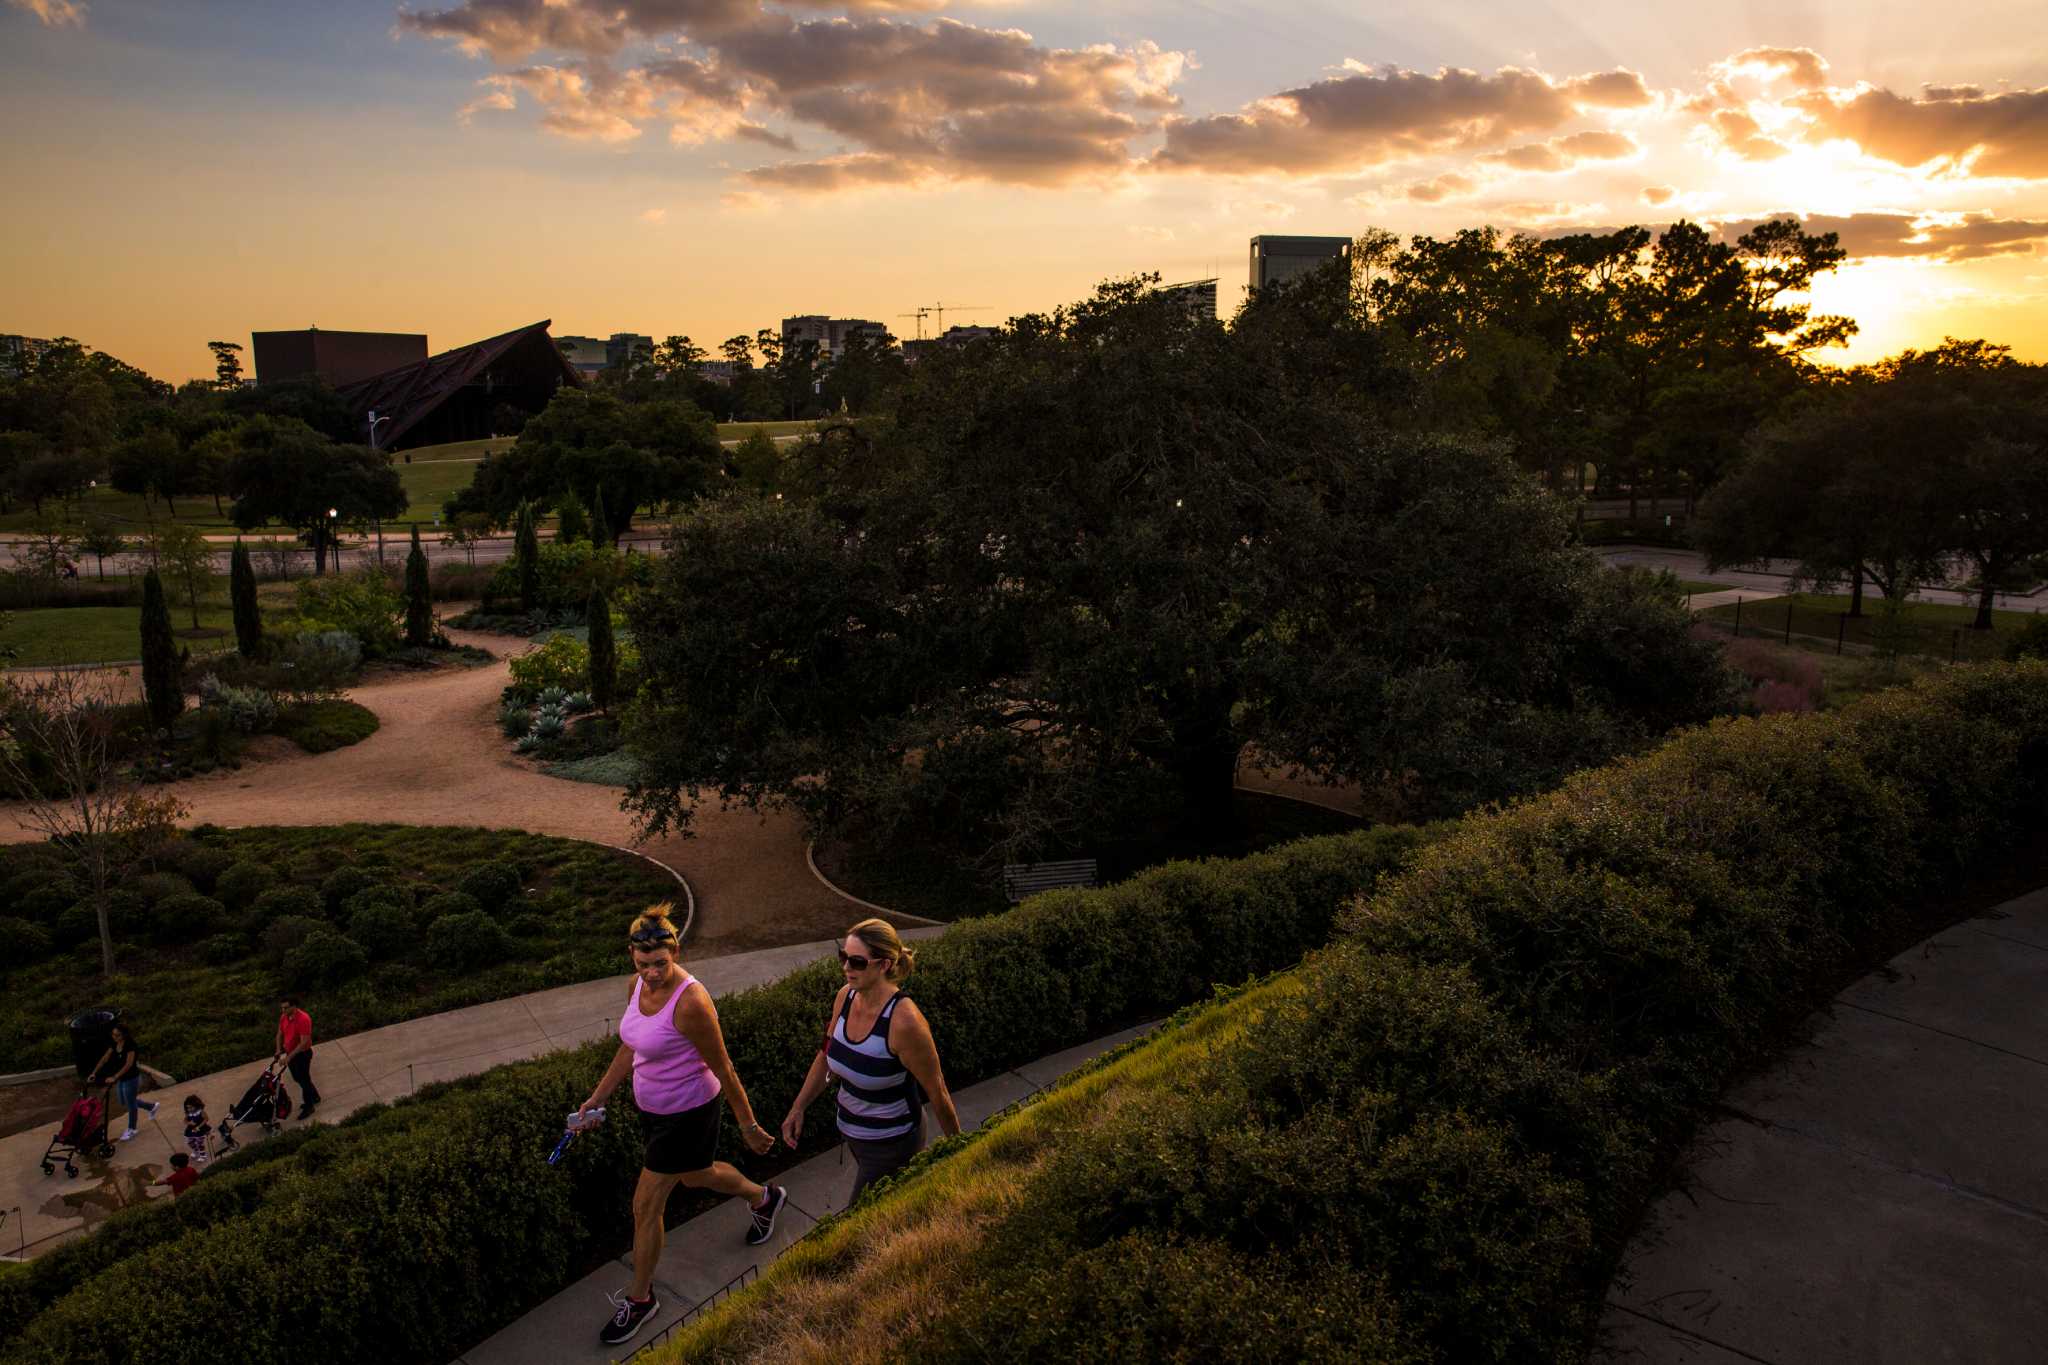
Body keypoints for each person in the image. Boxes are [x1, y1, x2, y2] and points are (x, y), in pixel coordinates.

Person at [577, 902, 785, 1348]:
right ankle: (764, 1198)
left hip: (689, 1113)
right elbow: (631, 1048)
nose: (652, 973)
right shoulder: (635, 986)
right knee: (696, 1176)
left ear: (677, 952)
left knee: (644, 1205)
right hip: (651, 1110)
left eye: (660, 963)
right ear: (632, 958)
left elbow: (725, 1067)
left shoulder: (691, 1002)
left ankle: (640, 1299)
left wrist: (748, 1125)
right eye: (643, 964)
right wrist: (597, 1098)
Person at [780, 918, 961, 1205]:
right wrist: (798, 1107)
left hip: (893, 1142)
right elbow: (826, 1058)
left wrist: (961, 1151)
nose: (846, 968)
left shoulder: (905, 1023)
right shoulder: (845, 997)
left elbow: (937, 1092)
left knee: (859, 1218)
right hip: (854, 1135)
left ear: (885, 964)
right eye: (843, 957)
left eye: (857, 962)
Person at [89, 1022, 159, 1140]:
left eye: (118, 1035)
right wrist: (94, 1072)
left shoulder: (130, 1045)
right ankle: (151, 1106)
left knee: (131, 1104)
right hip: (122, 1078)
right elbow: (105, 1058)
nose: (114, 1037)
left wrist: (114, 1077)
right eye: (113, 1034)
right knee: (124, 1101)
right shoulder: (114, 1043)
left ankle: (132, 1129)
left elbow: (128, 1064)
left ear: (124, 1035)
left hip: (131, 1078)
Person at [275, 995, 319, 1120]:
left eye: (286, 1008)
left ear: (294, 1006)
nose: (283, 1011)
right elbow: (279, 1034)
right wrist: (278, 1049)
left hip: (302, 1055)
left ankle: (309, 1106)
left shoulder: (303, 1019)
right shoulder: (284, 1017)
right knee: (298, 1078)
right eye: (282, 1008)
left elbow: (303, 1042)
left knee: (304, 1080)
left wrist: (288, 1058)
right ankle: (315, 1096)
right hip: (291, 1054)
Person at [181, 1095, 212, 1166]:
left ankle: (203, 1155)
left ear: (196, 1105)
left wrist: (199, 1126)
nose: (189, 1109)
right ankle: (196, 1151)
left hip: (200, 1129)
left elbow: (206, 1119)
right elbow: (185, 1120)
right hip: (190, 1129)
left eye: (191, 1107)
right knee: (189, 1142)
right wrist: (189, 1123)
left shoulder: (201, 1112)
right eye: (188, 1108)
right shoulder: (188, 1113)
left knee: (199, 1143)